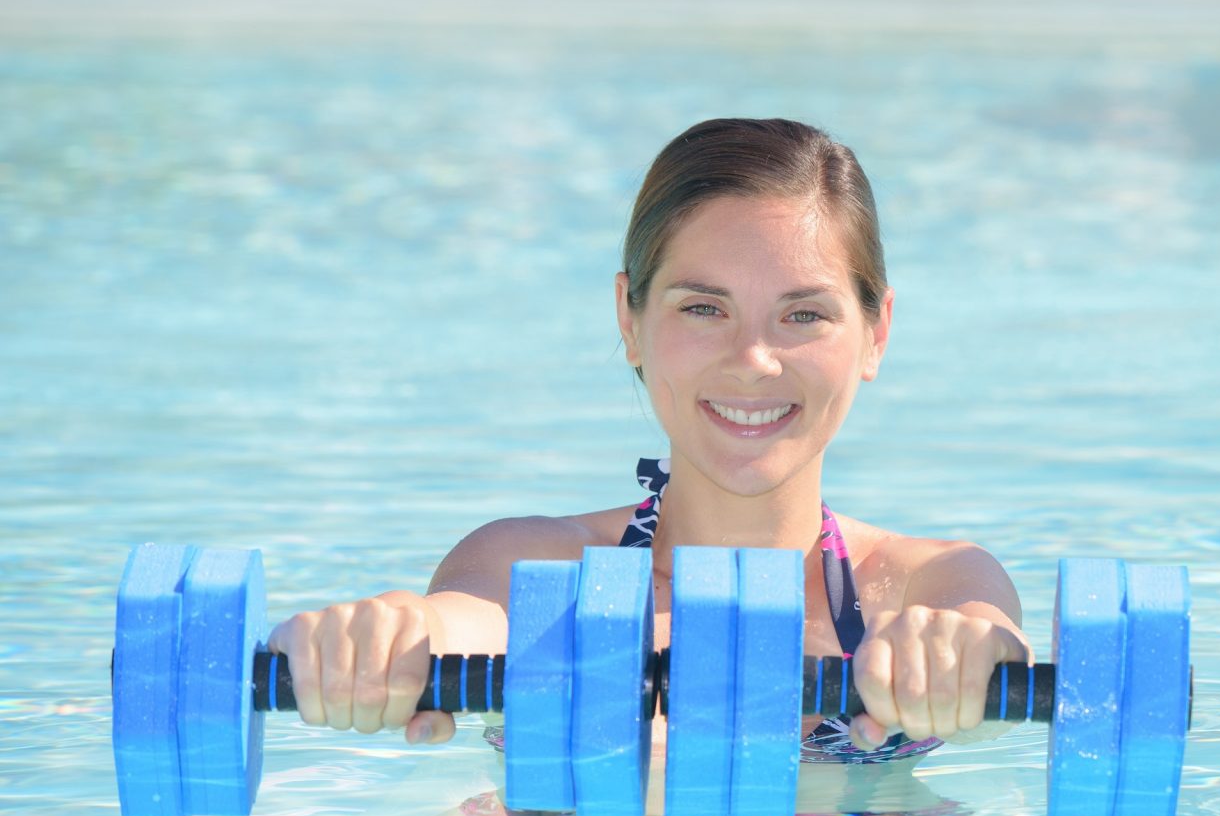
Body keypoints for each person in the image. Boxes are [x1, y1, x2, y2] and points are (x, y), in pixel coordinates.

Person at [270, 116, 1027, 765]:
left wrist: (962, 651)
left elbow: (982, 632)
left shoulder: (928, 587)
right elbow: (453, 622)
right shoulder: (536, 570)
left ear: (877, 332)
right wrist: (377, 634)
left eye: (803, 315)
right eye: (703, 308)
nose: (753, 359)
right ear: (630, 322)